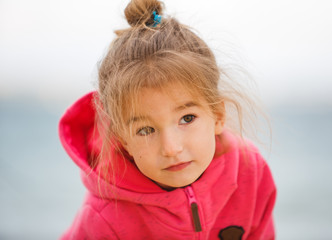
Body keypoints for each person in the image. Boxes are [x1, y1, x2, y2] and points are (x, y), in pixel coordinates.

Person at [58, 0, 276, 239]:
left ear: (218, 115)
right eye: (145, 130)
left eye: (187, 118)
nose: (171, 148)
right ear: (123, 139)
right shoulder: (105, 218)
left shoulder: (250, 172)